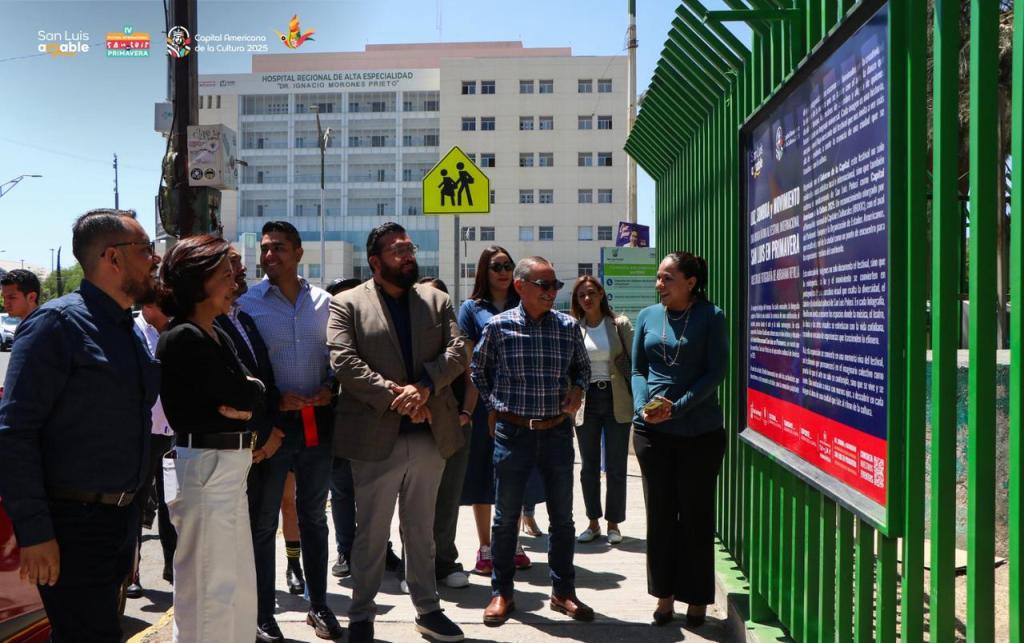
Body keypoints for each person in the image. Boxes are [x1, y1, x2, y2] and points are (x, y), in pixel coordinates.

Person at [0, 209, 160, 642]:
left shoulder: (124, 328)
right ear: (113, 257)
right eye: (146, 250)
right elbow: (15, 432)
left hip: (118, 522)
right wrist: (35, 534)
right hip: (72, 526)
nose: (154, 259)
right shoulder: (57, 325)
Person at [327, 222, 467, 643]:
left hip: (429, 433)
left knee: (421, 529)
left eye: (410, 247)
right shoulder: (347, 304)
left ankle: (428, 609)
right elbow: (343, 361)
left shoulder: (436, 299)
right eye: (397, 250)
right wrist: (397, 396)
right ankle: (362, 616)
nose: (408, 255)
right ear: (375, 261)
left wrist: (424, 388)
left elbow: (459, 351)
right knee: (370, 532)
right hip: (374, 435)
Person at [471, 256, 594, 626]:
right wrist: (495, 405)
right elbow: (478, 370)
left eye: (555, 285)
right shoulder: (498, 327)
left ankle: (563, 592)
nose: (552, 292)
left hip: (556, 432)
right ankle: (502, 594)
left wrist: (578, 390)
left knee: (563, 520)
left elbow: (582, 369)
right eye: (544, 285)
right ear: (520, 287)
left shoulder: (567, 327)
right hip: (513, 434)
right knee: (506, 518)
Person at [238, 221, 343, 641]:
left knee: (314, 517)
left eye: (279, 248)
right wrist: (272, 401)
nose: (269, 256)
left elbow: (340, 356)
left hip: (317, 426)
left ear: (299, 253)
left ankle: (319, 606)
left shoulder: (326, 303)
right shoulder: (247, 304)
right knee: (264, 522)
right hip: (271, 429)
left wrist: (330, 388)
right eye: (265, 248)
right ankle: (264, 614)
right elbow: (243, 367)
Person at [157, 235, 265, 643]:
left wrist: (249, 397)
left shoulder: (215, 331)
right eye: (224, 274)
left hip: (227, 467)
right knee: (208, 588)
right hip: (205, 467)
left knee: (235, 583)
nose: (234, 282)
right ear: (198, 281)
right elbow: (244, 393)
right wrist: (249, 396)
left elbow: (253, 394)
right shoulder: (184, 336)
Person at [632, 252, 727, 627]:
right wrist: (643, 407)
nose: (660, 285)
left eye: (667, 278)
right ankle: (664, 596)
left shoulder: (711, 316)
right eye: (659, 278)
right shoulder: (647, 317)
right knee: (660, 517)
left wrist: (679, 406)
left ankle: (697, 600)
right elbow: (638, 368)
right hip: (652, 434)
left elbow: (716, 371)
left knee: (695, 516)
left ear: (691, 282)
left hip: (698, 434)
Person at [213, 247, 293, 643]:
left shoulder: (243, 318)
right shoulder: (204, 327)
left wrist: (274, 430)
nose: (242, 268)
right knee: (234, 542)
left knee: (262, 533)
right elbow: (228, 397)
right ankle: (244, 619)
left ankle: (263, 615)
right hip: (235, 454)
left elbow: (266, 383)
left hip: (266, 448)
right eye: (232, 264)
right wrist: (260, 436)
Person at [457, 246, 538, 577]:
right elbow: (469, 364)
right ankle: (487, 547)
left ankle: (513, 544)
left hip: (522, 403)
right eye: (496, 267)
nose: (503, 271)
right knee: (482, 476)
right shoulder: (471, 308)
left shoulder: (527, 305)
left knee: (516, 473)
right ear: (484, 272)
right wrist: (467, 410)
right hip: (484, 405)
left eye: (508, 266)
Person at [415, 276, 471, 590]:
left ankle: (445, 562)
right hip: (415, 427)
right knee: (416, 504)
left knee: (447, 501)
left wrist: (466, 414)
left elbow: (470, 379)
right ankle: (417, 566)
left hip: (454, 428)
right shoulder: (406, 337)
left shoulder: (456, 338)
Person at [569, 276, 634, 545]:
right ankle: (593, 521)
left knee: (617, 466)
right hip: (587, 399)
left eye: (592, 293)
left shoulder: (619, 324)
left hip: (615, 397)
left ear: (601, 294)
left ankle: (614, 524)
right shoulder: (574, 328)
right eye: (582, 295)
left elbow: (635, 364)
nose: (587, 299)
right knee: (589, 467)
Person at [128, 299, 176, 598]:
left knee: (173, 505)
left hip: (174, 434)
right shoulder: (131, 331)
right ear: (147, 304)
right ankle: (132, 574)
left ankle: (173, 567)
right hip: (142, 435)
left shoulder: (177, 332)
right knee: (135, 507)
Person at [324, 276, 362, 580]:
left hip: (372, 424)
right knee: (342, 491)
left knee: (375, 493)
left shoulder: (372, 331)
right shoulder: (326, 335)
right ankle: (346, 550)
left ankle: (379, 548)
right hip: (336, 425)